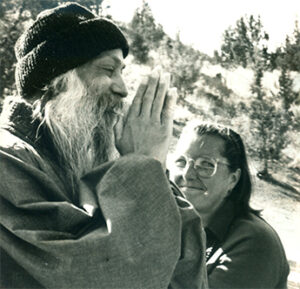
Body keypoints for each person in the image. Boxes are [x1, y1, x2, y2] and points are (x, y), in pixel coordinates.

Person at [0, 3, 208, 288]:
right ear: (59, 80)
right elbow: (90, 273)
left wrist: (154, 172)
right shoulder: (6, 160)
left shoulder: (75, 160)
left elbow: (181, 272)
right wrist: (142, 166)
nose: (123, 89)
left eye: (123, 72)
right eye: (108, 69)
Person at [169, 121, 290, 289]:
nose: (187, 174)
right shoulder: (172, 226)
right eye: (181, 162)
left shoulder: (255, 243)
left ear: (233, 179)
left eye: (206, 165)